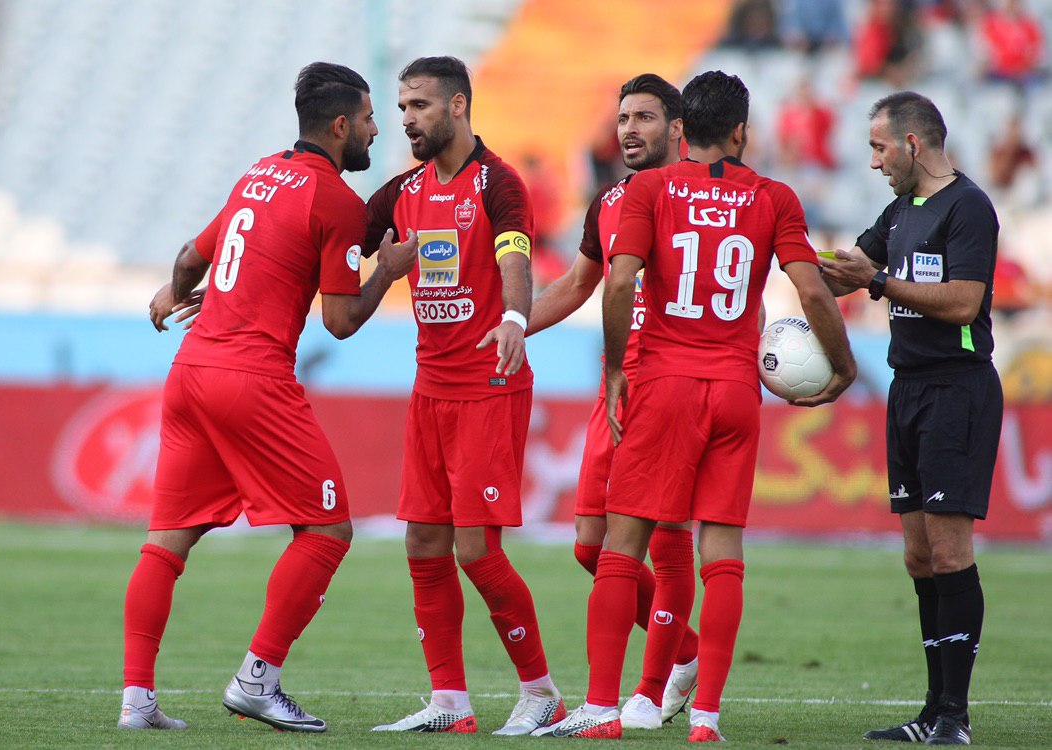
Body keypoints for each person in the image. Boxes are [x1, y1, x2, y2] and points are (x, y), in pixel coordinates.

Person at [537, 70, 856, 741]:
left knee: (622, 549)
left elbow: (619, 282)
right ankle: (705, 715)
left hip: (663, 383)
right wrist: (846, 364)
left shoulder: (649, 190)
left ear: (684, 130)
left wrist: (613, 369)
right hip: (737, 389)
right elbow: (813, 292)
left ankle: (602, 708)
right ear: (741, 131)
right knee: (724, 554)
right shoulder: (774, 196)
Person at [118, 62, 418, 732]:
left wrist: (177, 293)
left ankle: (136, 701)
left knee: (166, 542)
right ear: (339, 126)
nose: (376, 129)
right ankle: (257, 680)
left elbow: (190, 259)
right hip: (252, 380)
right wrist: (387, 272)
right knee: (328, 529)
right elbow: (339, 321)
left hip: (190, 373)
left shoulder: (257, 173)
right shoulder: (336, 201)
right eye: (369, 118)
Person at [363, 56, 565, 736]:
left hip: (487, 388)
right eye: (401, 107)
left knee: (476, 550)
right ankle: (449, 701)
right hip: (430, 389)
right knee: (423, 542)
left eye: (419, 105)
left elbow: (515, 258)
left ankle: (541, 692)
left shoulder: (497, 183)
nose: (406, 119)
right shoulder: (403, 190)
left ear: (457, 106)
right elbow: (329, 241)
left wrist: (513, 320)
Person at [820, 91, 1001, 746]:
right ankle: (932, 711)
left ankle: (955, 715)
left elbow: (964, 302)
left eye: (879, 148)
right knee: (920, 556)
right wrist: (782, 252)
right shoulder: (899, 211)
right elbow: (846, 272)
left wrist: (877, 282)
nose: (874, 162)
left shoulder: (968, 207)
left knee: (950, 550)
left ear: (912, 144)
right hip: (908, 390)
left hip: (957, 389)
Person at [526, 73, 700, 731]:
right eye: (623, 118)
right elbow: (578, 283)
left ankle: (647, 692)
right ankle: (689, 652)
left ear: (677, 128)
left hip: (674, 386)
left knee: (666, 539)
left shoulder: (701, 198)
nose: (629, 129)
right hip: (616, 389)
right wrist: (511, 323)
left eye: (644, 117)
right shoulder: (609, 200)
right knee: (590, 545)